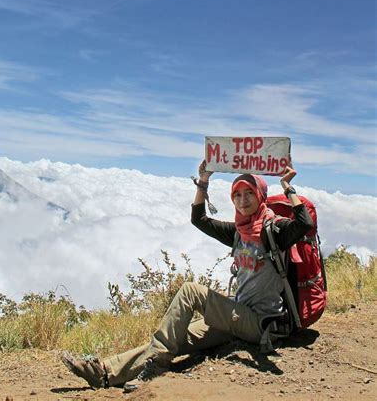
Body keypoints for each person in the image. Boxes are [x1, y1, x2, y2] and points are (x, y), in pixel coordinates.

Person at [62, 162, 313, 392]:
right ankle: (105, 372)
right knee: (175, 337)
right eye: (237, 194)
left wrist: (287, 187)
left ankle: (157, 367)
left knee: (191, 291)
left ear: (260, 196)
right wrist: (203, 181)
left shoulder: (274, 231)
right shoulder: (238, 232)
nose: (242, 200)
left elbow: (304, 224)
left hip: (261, 323)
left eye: (249, 193)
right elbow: (199, 219)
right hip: (237, 314)